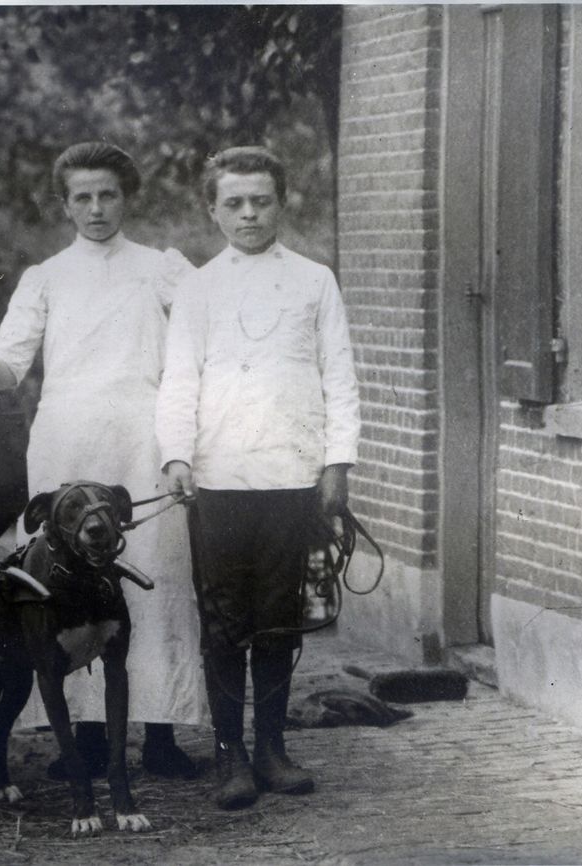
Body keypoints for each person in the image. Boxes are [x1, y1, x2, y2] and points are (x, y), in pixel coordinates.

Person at [0, 141, 206, 779]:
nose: (96, 209)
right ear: (65, 204)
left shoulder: (164, 269)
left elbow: (210, 333)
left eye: (109, 195)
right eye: (83, 197)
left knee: (155, 579)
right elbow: (12, 358)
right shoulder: (46, 277)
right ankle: (88, 740)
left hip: (140, 441)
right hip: (67, 445)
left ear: (128, 198)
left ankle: (159, 735)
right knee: (64, 586)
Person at [155, 146, 361, 809]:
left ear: (282, 202)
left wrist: (336, 463)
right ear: (213, 210)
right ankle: (231, 754)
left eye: (261, 200)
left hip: (290, 473)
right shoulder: (197, 288)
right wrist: (177, 453)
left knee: (279, 615)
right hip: (218, 477)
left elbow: (340, 377)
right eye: (234, 203)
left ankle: (272, 747)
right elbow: (179, 377)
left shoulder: (314, 280)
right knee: (223, 620)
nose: (249, 213)